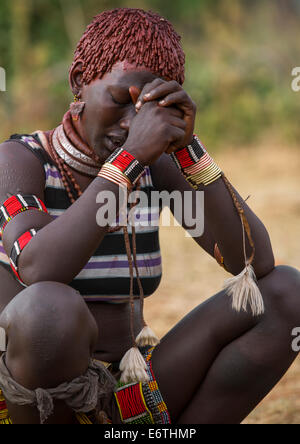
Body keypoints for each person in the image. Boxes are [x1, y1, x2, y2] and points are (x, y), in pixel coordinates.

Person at [0, 7, 299, 425]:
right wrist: (128, 160)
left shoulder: (154, 168)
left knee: (286, 292)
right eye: (121, 100)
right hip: (34, 405)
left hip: (130, 392)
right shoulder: (20, 161)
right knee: (50, 309)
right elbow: (37, 267)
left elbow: (252, 261)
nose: (132, 123)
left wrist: (188, 150)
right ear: (79, 80)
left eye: (151, 108)